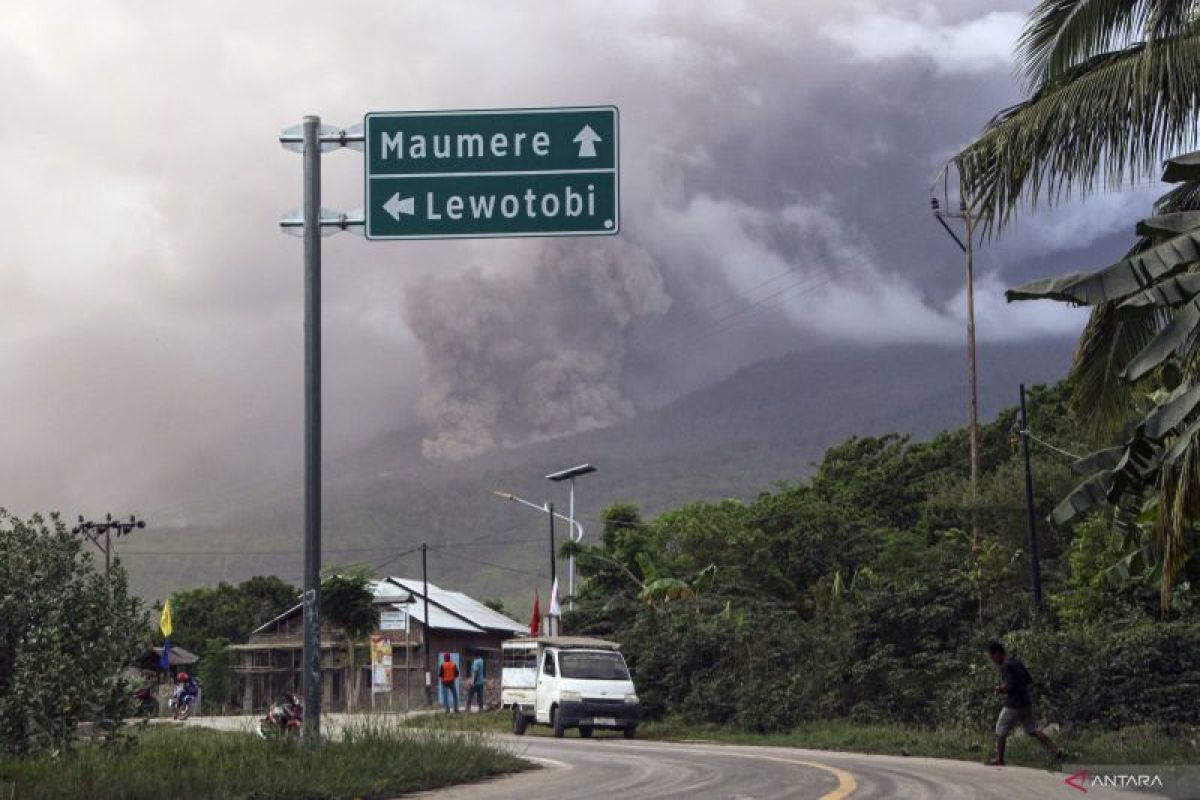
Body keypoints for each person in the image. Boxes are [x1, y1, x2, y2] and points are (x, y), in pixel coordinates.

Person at [985, 640, 1064, 766]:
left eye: (992, 657)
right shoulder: (1017, 662)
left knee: (1000, 729)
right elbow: (1028, 680)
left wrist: (999, 689)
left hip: (1013, 704)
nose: (993, 660)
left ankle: (999, 759)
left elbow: (1008, 686)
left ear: (998, 653)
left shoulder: (1005, 666)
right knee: (1032, 730)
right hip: (1025, 702)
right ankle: (1056, 750)